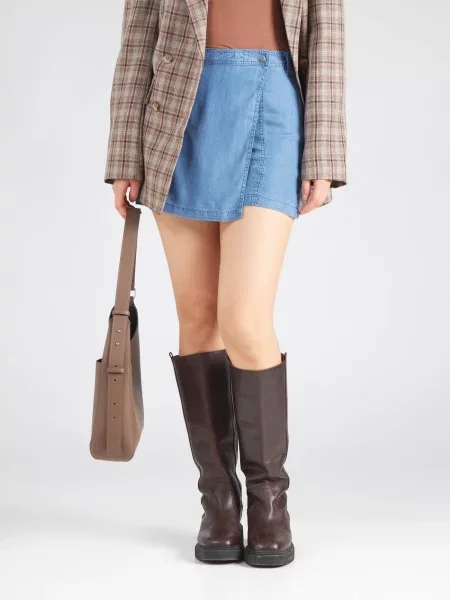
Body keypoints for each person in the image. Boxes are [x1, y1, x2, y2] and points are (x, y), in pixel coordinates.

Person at [104, 0, 347, 568]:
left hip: (273, 106)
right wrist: (123, 154)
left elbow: (327, 38)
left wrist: (325, 153)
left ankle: (269, 503)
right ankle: (218, 503)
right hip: (177, 113)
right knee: (198, 317)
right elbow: (138, 39)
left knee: (244, 319)